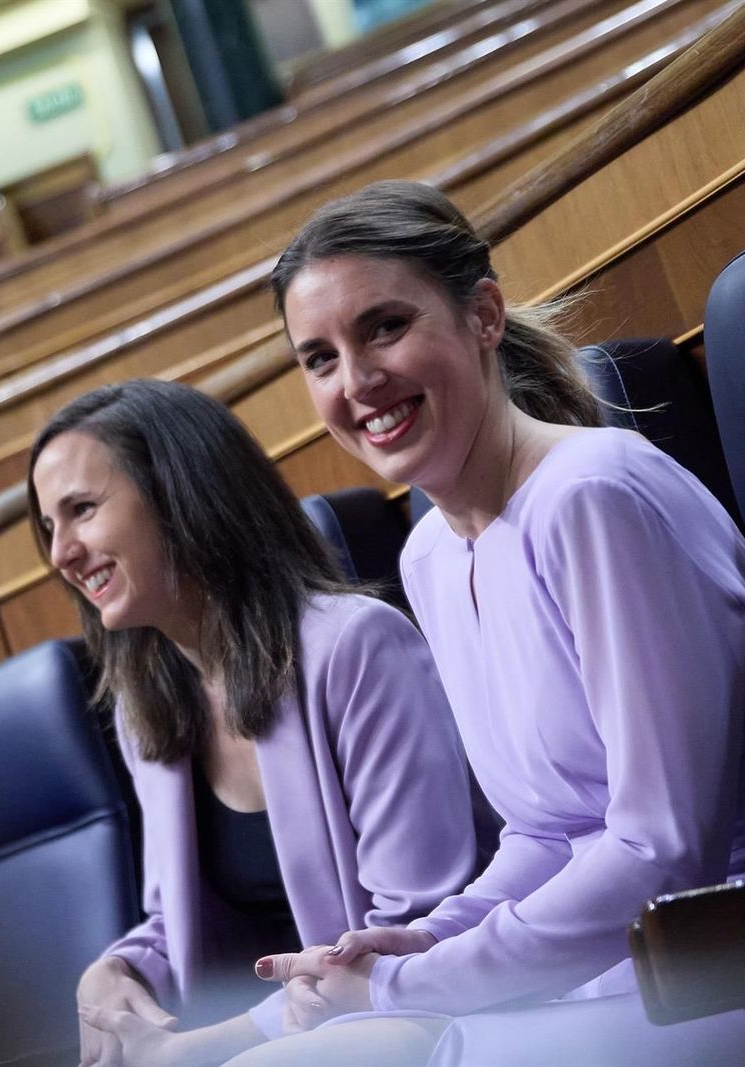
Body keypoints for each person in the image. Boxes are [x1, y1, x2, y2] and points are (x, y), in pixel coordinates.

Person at [237, 180, 745, 1065]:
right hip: (625, 980)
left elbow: (663, 849)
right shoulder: (429, 555)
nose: (356, 382)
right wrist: (426, 938)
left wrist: (410, 985)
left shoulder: (597, 494)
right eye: (320, 358)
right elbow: (550, 830)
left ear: (484, 315)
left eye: (384, 327)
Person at [27, 380, 493, 1067]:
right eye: (49, 527)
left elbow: (413, 931)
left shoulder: (357, 647)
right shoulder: (146, 705)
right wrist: (116, 970)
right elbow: (174, 918)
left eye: (82, 510)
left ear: (181, 494)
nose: (61, 553)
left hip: (420, 1017)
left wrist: (202, 1049)